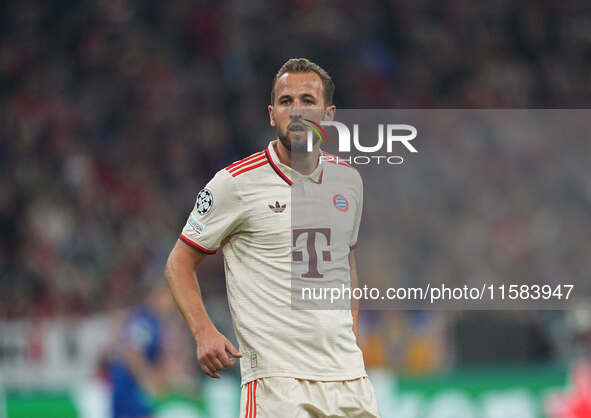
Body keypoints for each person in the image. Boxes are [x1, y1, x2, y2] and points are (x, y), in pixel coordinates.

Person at [165, 58, 380, 417]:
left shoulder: (349, 181)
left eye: (308, 101)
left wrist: (351, 340)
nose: (296, 111)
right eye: (286, 101)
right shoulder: (235, 184)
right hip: (278, 384)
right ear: (271, 114)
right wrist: (203, 330)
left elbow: (346, 266)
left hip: (349, 380)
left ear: (328, 114)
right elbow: (178, 263)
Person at [109, 283, 175, 418]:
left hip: (136, 390)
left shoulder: (156, 322)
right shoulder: (144, 321)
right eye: (168, 298)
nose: (171, 303)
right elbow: (132, 354)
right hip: (129, 389)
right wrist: (149, 379)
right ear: (156, 296)